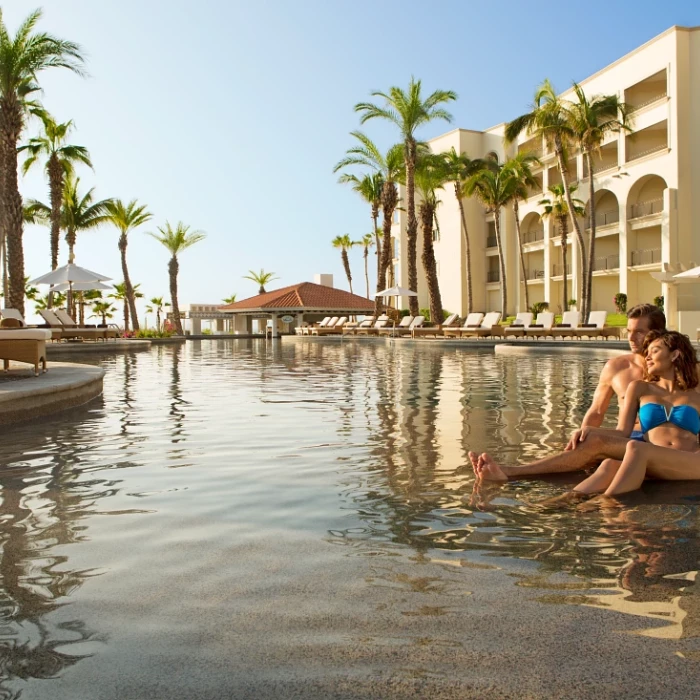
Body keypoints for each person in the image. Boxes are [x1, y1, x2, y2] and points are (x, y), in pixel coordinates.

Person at [469, 303, 667, 481]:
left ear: (657, 334)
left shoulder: (676, 370)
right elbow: (597, 411)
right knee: (581, 450)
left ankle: (510, 473)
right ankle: (521, 473)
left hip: (654, 442)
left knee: (592, 449)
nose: (631, 338)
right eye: (629, 330)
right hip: (622, 439)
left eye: (639, 332)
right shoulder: (616, 367)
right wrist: (580, 439)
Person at [571, 330, 700, 496]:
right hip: (654, 461)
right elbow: (623, 431)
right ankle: (563, 501)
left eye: (655, 351)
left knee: (637, 448)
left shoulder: (696, 395)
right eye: (647, 353)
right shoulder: (639, 388)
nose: (647, 357)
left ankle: (607, 502)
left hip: (691, 461)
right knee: (609, 465)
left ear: (675, 355)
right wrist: (589, 430)